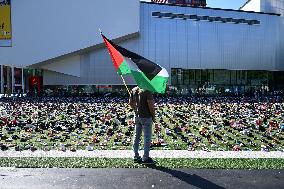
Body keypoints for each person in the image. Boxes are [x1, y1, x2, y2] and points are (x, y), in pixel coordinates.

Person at [129, 86, 155, 164]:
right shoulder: (147, 90)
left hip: (137, 116)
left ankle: (136, 156)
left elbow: (130, 103)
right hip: (146, 116)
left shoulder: (134, 90)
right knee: (147, 137)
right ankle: (145, 158)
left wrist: (136, 110)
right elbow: (151, 106)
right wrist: (153, 116)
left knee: (137, 136)